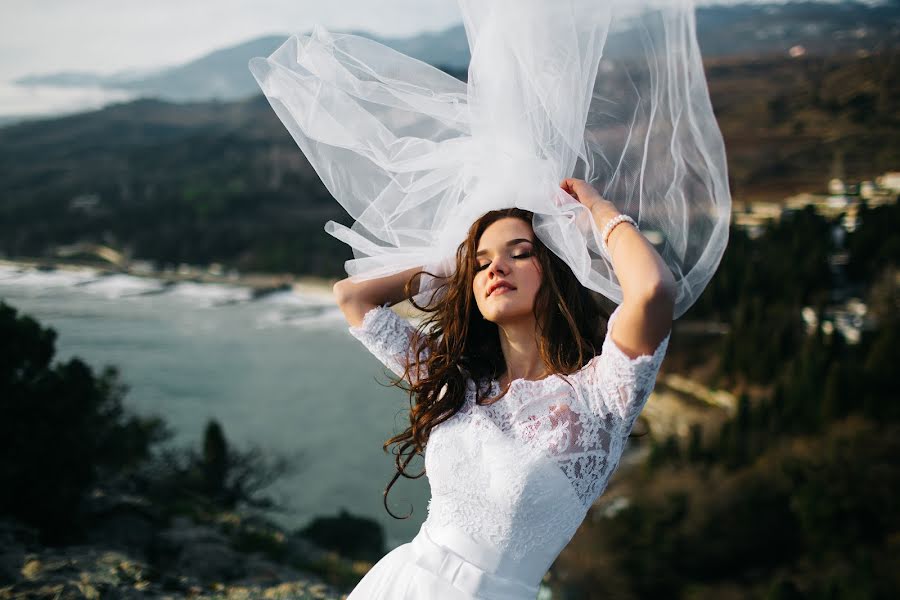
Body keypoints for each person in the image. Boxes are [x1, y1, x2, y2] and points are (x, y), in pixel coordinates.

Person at [334, 178, 675, 599]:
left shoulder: (600, 395)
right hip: (401, 585)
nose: (495, 268)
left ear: (557, 270)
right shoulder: (453, 383)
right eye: (482, 263)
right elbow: (352, 298)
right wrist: (454, 266)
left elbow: (652, 291)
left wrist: (596, 208)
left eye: (521, 253)